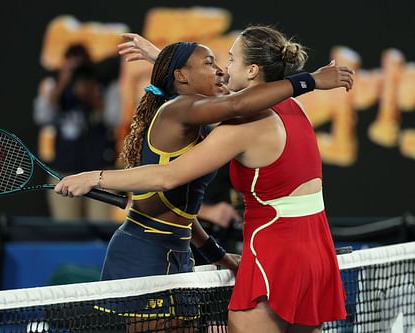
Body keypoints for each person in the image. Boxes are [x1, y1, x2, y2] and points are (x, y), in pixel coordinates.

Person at [55, 26, 353, 332]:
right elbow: (216, 105)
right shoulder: (294, 107)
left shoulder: (241, 122)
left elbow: (225, 105)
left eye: (229, 60)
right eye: (214, 63)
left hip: (271, 255)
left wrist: (95, 177)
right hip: (314, 251)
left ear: (252, 70)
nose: (223, 70)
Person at [33, 43, 114, 222]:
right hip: (63, 169)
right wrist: (62, 84)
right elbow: (42, 117)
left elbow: (114, 118)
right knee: (66, 228)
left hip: (99, 170)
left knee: (102, 227)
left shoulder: (103, 83)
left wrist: (93, 97)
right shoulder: (53, 82)